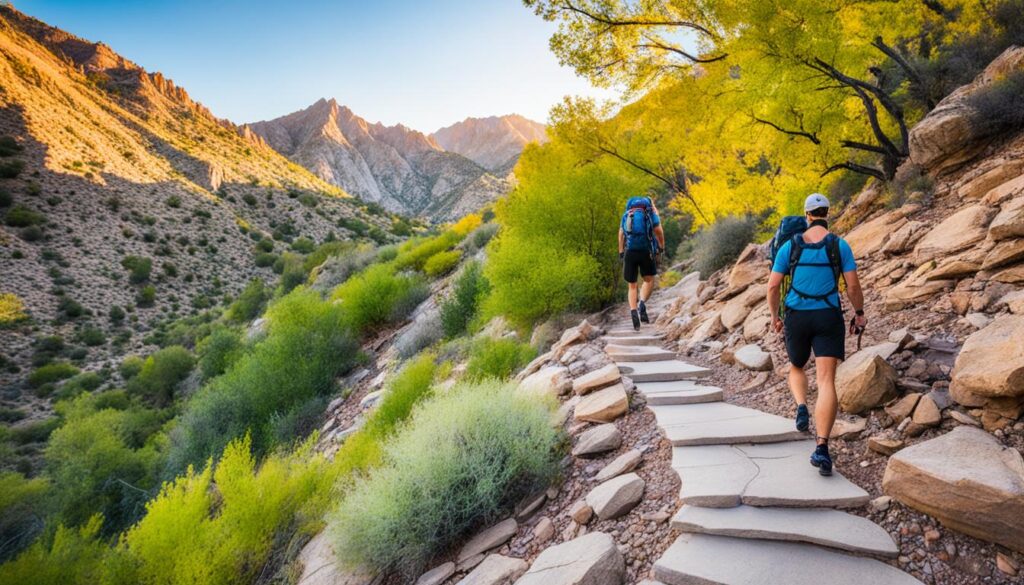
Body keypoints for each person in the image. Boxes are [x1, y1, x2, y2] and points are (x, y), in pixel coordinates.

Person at [766, 193, 866, 476]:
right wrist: (859, 313)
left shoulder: (790, 246)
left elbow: (773, 287)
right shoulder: (839, 245)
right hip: (828, 316)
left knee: (797, 366)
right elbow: (853, 286)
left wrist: (775, 317)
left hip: (797, 317)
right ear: (827, 213)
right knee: (826, 381)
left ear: (807, 215)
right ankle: (822, 447)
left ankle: (801, 406)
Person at [618, 196, 665, 330]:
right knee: (649, 280)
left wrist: (621, 251)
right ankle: (642, 303)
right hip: (646, 251)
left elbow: (621, 233)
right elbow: (659, 232)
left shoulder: (627, 214)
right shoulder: (650, 214)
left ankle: (633, 311)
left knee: (632, 285)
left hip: (630, 252)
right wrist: (661, 247)